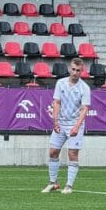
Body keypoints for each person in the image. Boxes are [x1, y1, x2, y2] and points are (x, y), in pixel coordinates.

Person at [41, 58, 91, 194]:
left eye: (78, 70)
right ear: (70, 69)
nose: (75, 73)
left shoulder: (84, 88)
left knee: (72, 153)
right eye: (73, 69)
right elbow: (56, 102)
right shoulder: (60, 83)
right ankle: (53, 183)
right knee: (53, 152)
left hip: (75, 124)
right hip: (60, 124)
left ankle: (69, 185)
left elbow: (84, 109)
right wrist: (55, 122)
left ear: (82, 71)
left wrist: (76, 127)